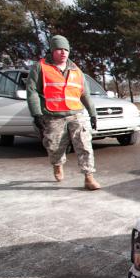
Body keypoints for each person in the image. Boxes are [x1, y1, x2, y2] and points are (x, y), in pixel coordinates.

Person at [26, 35, 101, 190]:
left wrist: (92, 113)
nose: (63, 52)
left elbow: (84, 94)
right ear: (52, 50)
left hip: (76, 114)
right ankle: (57, 164)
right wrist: (36, 113)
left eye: (66, 49)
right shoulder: (40, 67)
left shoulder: (76, 70)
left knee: (84, 144)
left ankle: (89, 177)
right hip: (53, 115)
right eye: (59, 49)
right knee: (54, 146)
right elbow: (32, 91)